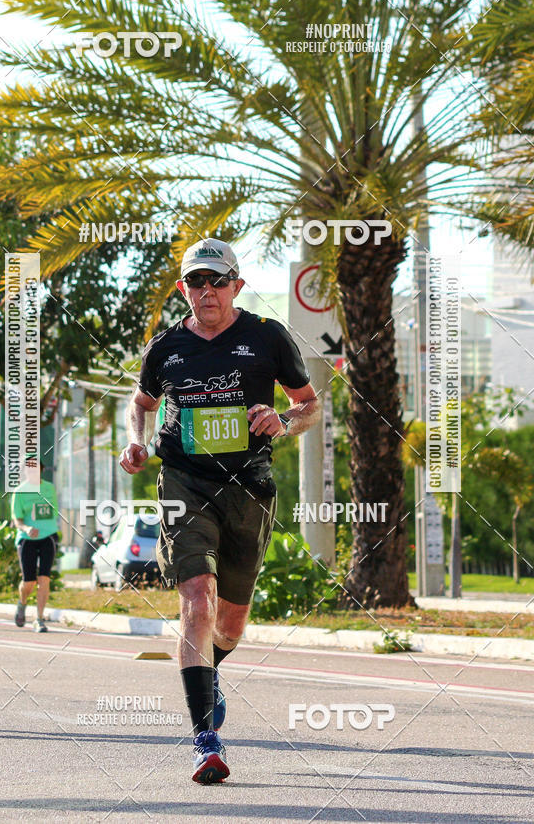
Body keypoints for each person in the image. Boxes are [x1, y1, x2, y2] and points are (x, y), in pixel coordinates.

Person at [119, 238, 320, 784]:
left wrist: (283, 420)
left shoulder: (266, 337)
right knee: (198, 597)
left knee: (230, 621)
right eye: (195, 282)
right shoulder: (165, 348)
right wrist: (135, 443)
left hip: (249, 488)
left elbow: (308, 405)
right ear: (183, 288)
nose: (206, 292)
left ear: (237, 284)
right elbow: (141, 405)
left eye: (217, 281)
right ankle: (204, 737)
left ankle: (207, 675)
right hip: (185, 480)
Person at [11, 457, 59, 632]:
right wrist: (27, 528)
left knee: (44, 578)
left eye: (35, 469)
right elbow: (17, 519)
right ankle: (22, 603)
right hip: (27, 540)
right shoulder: (19, 491)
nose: (32, 472)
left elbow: (53, 511)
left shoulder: (49, 488)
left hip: (48, 537)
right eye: (29, 469)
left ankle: (39, 619)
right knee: (29, 582)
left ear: (41, 470)